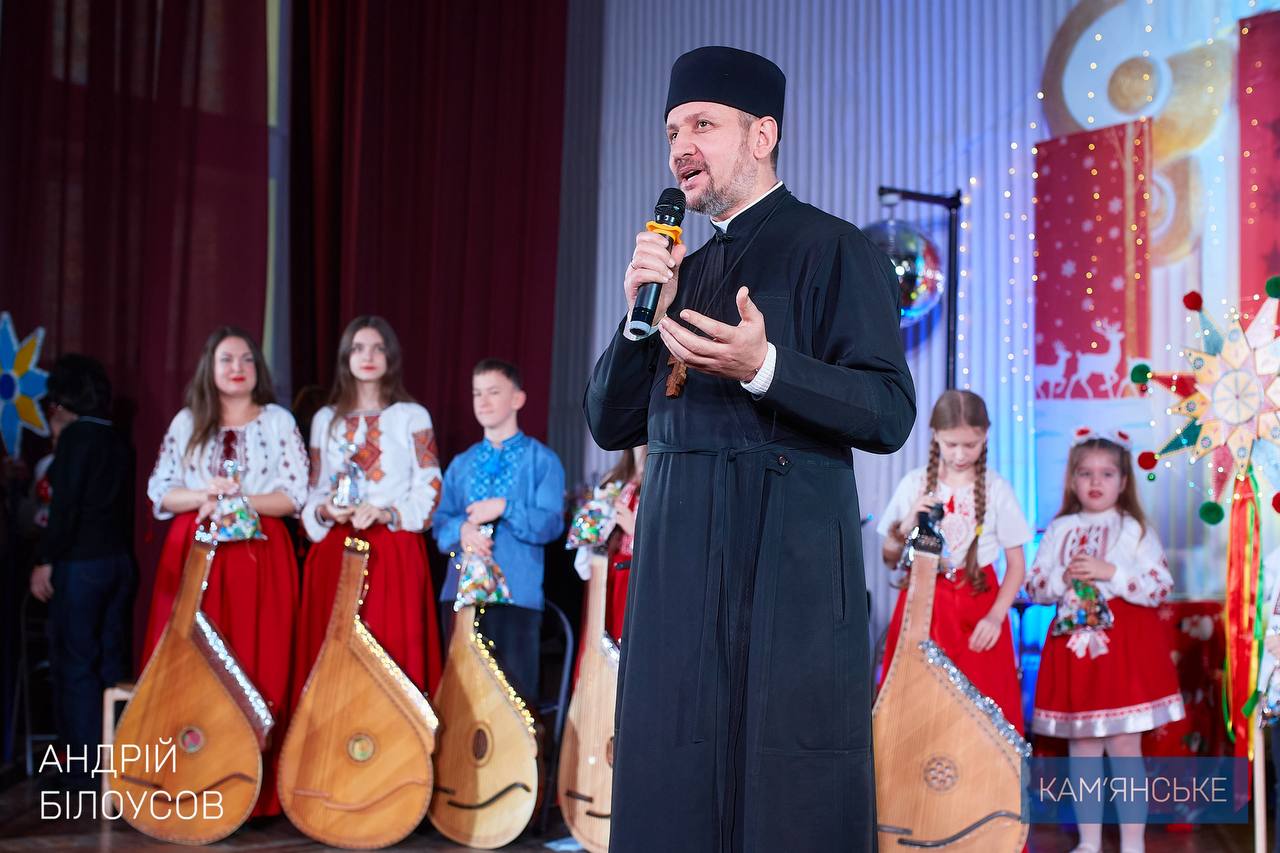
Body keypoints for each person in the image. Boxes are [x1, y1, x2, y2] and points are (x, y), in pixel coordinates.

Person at [583, 45, 915, 851]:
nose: (680, 147)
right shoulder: (682, 271)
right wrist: (639, 313)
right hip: (679, 570)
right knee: (674, 775)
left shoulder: (836, 250)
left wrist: (765, 367)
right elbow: (610, 422)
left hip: (787, 565)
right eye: (672, 131)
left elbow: (888, 410)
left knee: (786, 784)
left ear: (762, 135)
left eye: (701, 125)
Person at [143, 327, 307, 816]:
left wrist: (240, 500)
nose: (238, 368)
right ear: (209, 369)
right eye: (227, 359)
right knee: (192, 663)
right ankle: (188, 781)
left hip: (259, 556)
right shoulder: (188, 421)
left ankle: (253, 793)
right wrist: (204, 496)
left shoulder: (277, 421)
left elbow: (295, 494)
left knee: (257, 662)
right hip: (197, 552)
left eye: (246, 359)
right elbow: (160, 490)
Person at [1026, 428, 1185, 853]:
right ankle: (1089, 842)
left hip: (1124, 652)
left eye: (1107, 473)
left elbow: (1159, 585)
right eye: (1086, 473)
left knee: (1124, 745)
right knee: (1082, 746)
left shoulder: (1133, 529)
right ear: (1072, 480)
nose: (1096, 482)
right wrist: (1063, 578)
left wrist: (1111, 572)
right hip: (1073, 651)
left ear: (1123, 481)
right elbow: (1035, 586)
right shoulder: (1060, 528)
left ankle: (1133, 843)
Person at [294, 316, 443, 698]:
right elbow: (313, 490)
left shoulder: (411, 416)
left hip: (393, 550)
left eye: (378, 348)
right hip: (336, 551)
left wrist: (388, 512)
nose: (368, 357)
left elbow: (430, 486)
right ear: (346, 357)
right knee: (332, 658)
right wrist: (327, 510)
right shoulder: (325, 420)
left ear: (391, 356)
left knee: (392, 652)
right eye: (358, 348)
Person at [876, 390, 1030, 728]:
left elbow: (1017, 566)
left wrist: (996, 617)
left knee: (984, 712)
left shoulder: (996, 488)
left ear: (985, 436)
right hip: (923, 606)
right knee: (918, 710)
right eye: (951, 444)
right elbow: (889, 559)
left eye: (970, 445)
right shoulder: (914, 483)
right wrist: (906, 522)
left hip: (979, 606)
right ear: (935, 436)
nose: (960, 454)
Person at [29, 355, 134, 788]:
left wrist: (44, 560)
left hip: (81, 565)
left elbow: (65, 509)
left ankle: (82, 771)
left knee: (75, 667)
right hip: (119, 563)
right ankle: (116, 766)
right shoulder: (117, 438)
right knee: (110, 665)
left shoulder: (77, 439)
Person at [434, 359, 565, 702]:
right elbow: (440, 524)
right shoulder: (462, 464)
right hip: (461, 594)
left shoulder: (542, 460)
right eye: (477, 393)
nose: (483, 401)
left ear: (517, 399)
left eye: (493, 392)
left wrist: (506, 506)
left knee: (513, 696)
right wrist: (462, 529)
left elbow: (551, 524)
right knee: (461, 696)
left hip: (516, 595)